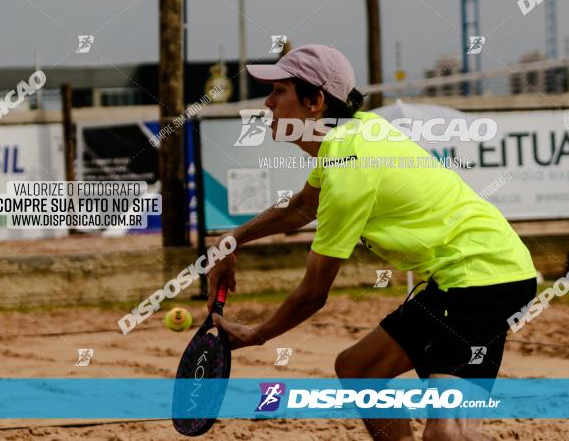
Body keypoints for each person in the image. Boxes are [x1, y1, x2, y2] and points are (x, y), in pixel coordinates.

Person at [207, 44, 538, 440]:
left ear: (314, 102)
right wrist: (232, 240)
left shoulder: (349, 165)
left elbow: (313, 294)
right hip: (455, 279)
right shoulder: (349, 136)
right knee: (359, 369)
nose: (268, 102)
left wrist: (257, 334)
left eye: (280, 91)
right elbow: (301, 208)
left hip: (485, 279)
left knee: (448, 432)